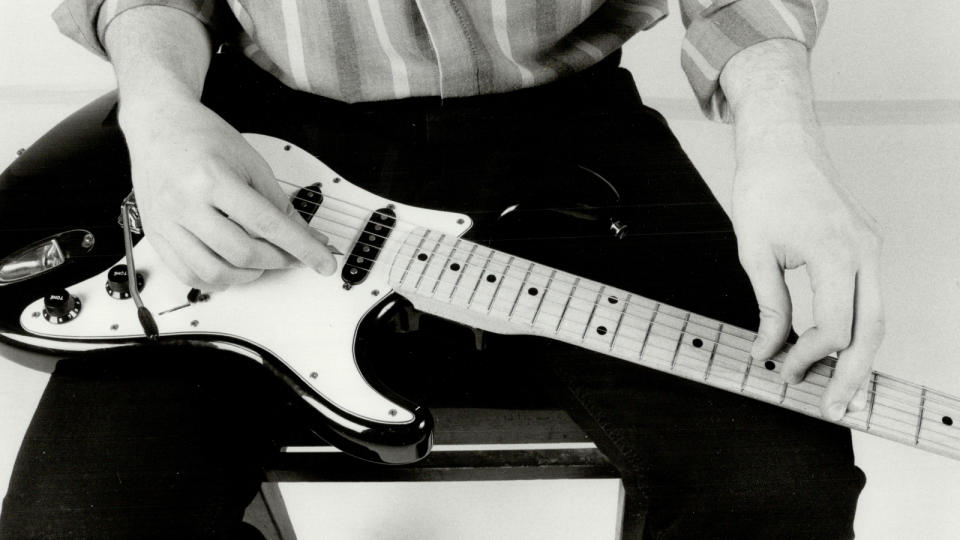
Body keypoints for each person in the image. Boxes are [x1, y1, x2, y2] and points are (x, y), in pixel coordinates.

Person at [0, 0, 882, 538]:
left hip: (571, 132)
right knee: (72, 526)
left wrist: (785, 146)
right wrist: (156, 111)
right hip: (263, 132)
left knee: (783, 496)